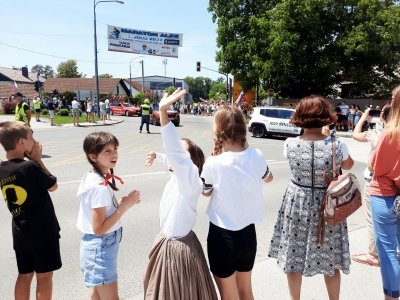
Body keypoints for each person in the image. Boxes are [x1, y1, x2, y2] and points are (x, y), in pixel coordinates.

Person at [268, 95, 354, 300]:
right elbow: (349, 166)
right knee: (331, 259)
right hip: (329, 203)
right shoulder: (337, 144)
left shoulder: (290, 143)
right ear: (326, 117)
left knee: (294, 256)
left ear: (299, 117)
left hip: (297, 202)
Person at [143, 88, 217, 300]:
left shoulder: (190, 178)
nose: (173, 157)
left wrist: (163, 112)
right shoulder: (180, 176)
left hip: (177, 252)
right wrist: (158, 156)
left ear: (189, 162)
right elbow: (172, 159)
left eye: (181, 154)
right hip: (168, 243)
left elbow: (176, 156)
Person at [201, 105, 273, 300]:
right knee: (245, 290)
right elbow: (269, 178)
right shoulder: (256, 155)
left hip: (222, 236)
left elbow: (205, 193)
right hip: (248, 236)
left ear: (218, 132)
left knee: (229, 295)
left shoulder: (213, 163)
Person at [0, 121, 62, 300]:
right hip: (42, 230)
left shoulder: (2, 168)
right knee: (44, 276)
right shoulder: (31, 167)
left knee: (25, 274)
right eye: (31, 137)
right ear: (21, 142)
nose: (34, 142)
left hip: (20, 231)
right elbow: (53, 185)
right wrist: (38, 160)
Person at [77, 131, 141, 300]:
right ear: (93, 156)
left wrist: (118, 204)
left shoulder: (93, 176)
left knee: (97, 294)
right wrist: (124, 206)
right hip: (101, 246)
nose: (114, 154)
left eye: (115, 149)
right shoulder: (99, 186)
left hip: (96, 247)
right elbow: (99, 228)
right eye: (107, 151)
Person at [368, 85, 400, 300]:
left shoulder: (390, 134)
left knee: (388, 252)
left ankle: (392, 296)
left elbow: (375, 167)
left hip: (385, 194)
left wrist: (374, 143)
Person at [351, 104, 391, 267]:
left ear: (382, 117)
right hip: (393, 182)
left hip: (375, 181)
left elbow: (355, 135)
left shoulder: (377, 133)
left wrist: (364, 116)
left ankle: (373, 254)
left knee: (372, 219)